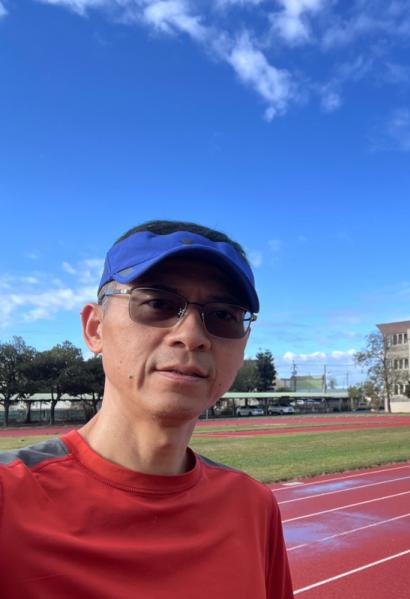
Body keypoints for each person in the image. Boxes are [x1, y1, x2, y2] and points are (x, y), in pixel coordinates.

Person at [0, 221, 294, 599]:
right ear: (95, 328)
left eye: (223, 315)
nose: (191, 336)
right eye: (158, 303)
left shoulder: (253, 508)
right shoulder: (9, 501)